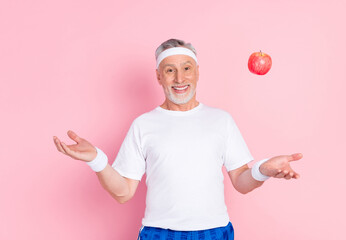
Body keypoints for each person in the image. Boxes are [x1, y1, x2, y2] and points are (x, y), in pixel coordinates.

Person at [53, 38, 302, 240]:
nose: (179, 79)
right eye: (170, 71)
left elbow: (242, 182)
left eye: (186, 68)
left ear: (197, 72)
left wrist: (263, 169)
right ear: (159, 77)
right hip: (158, 233)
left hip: (214, 232)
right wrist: (97, 160)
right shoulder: (143, 125)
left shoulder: (221, 120)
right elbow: (123, 192)